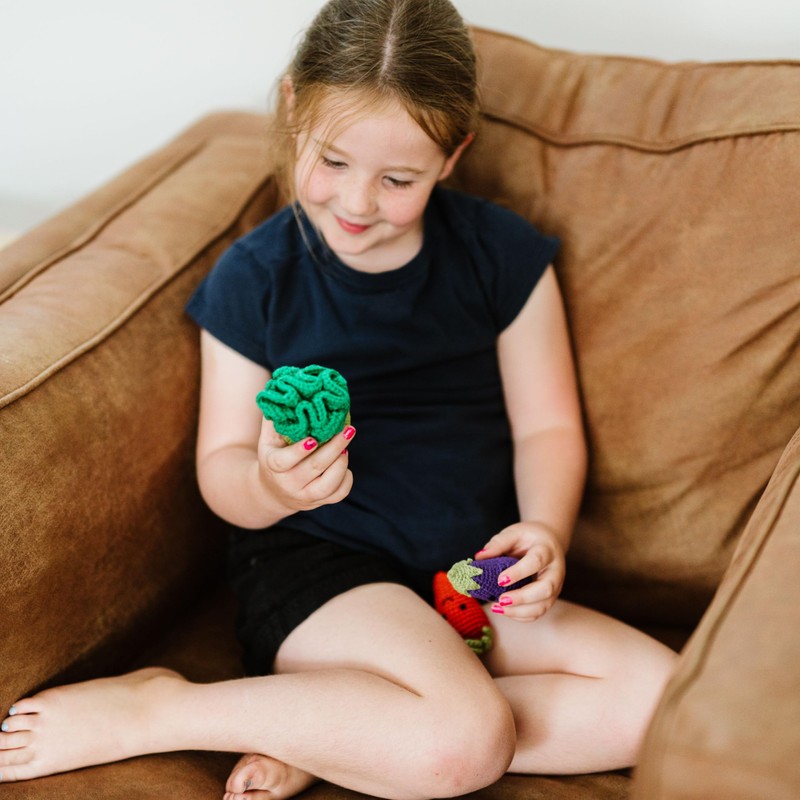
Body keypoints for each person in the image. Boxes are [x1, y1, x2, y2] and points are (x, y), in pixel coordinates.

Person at [0, 1, 677, 798]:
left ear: (451, 156)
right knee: (465, 740)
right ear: (292, 109)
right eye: (333, 161)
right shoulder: (254, 281)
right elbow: (221, 469)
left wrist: (544, 529)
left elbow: (549, 426)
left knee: (668, 702)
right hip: (323, 570)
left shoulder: (502, 254)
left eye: (398, 180)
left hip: (467, 571)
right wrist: (270, 483)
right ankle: (166, 709)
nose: (356, 204)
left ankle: (335, 731)